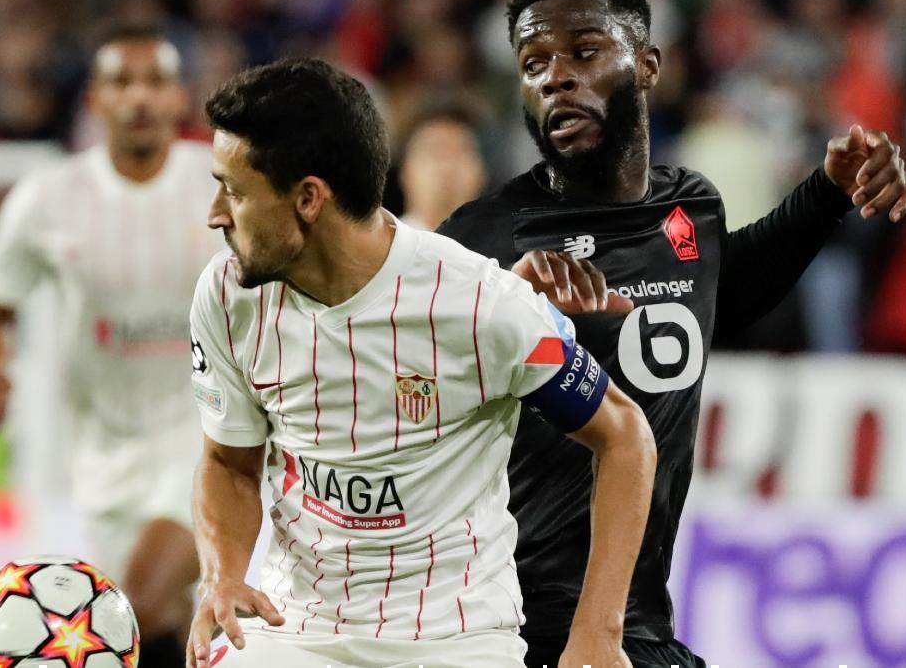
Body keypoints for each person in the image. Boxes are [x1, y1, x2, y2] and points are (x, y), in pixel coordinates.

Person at [436, 0, 906, 666]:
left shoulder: (688, 207)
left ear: (648, 65)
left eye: (583, 52)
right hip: (507, 630)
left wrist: (829, 191)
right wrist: (504, 304)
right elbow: (403, 391)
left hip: (635, 627)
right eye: (533, 62)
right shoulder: (482, 234)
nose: (555, 77)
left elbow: (723, 292)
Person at [185, 57, 656, 668]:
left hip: (454, 640)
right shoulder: (227, 294)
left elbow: (625, 437)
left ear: (307, 198)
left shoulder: (482, 304)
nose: (216, 213)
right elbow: (227, 462)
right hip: (292, 629)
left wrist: (598, 634)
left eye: (236, 190)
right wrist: (221, 575)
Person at [0, 24, 220, 666]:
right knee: (149, 632)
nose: (139, 97)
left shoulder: (221, 185)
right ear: (95, 100)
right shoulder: (47, 200)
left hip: (207, 435)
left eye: (155, 82)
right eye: (121, 82)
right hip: (100, 449)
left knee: (131, 603)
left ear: (180, 97)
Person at [396, 104, 488, 232]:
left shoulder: (508, 248)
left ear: (481, 173)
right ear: (405, 172)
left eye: (460, 153)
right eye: (435, 152)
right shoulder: (380, 249)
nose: (448, 166)